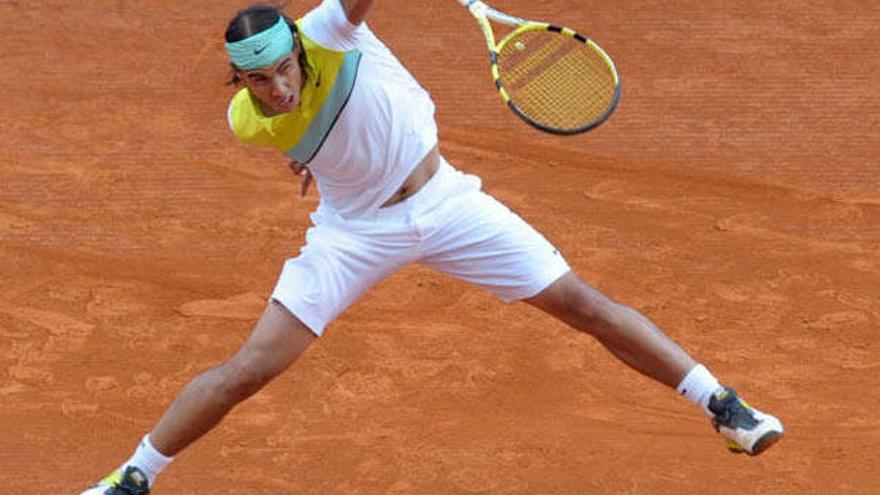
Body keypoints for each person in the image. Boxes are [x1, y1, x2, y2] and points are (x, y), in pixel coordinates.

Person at [80, 1, 784, 493]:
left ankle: (723, 405)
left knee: (580, 302)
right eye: (259, 80)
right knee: (248, 370)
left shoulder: (329, 30)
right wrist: (312, 154)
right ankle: (132, 474)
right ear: (240, 81)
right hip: (353, 236)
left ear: (299, 47)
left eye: (284, 69)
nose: (278, 86)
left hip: (450, 205)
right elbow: (311, 135)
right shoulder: (247, 121)